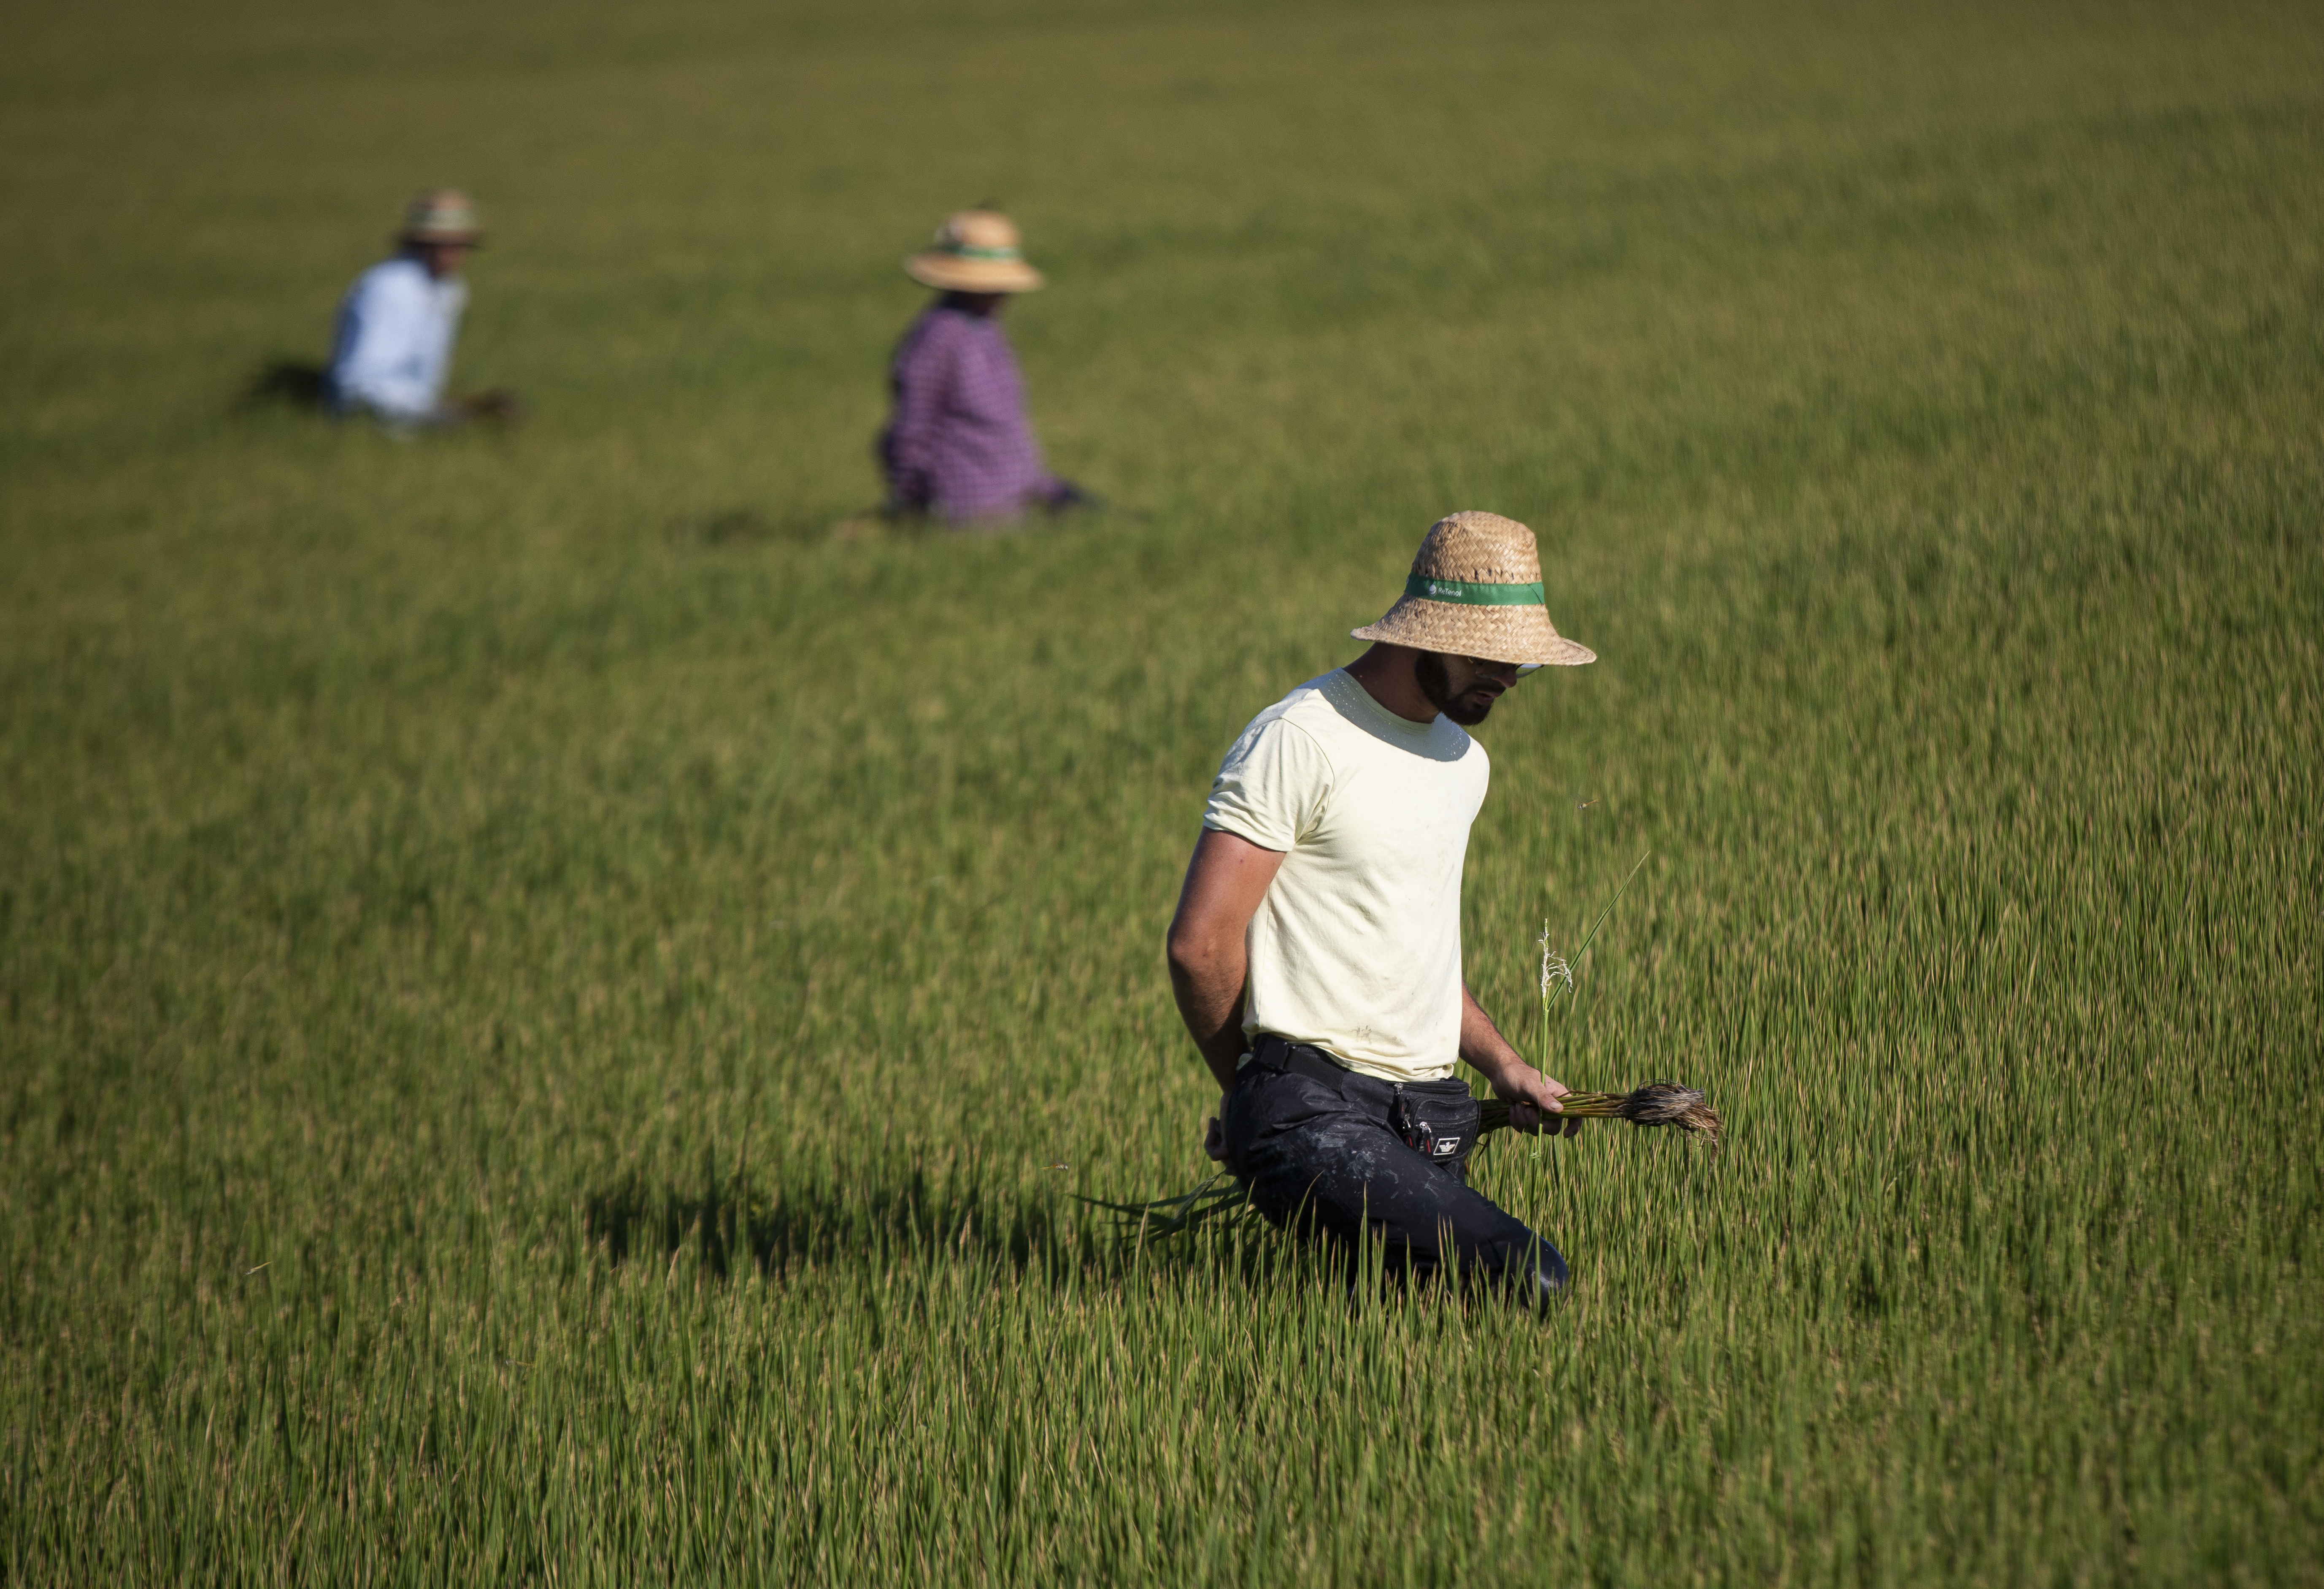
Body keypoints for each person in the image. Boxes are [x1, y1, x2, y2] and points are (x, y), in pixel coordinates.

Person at [1165, 511, 1599, 1308]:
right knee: (1527, 1274)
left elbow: (1414, 957)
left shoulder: (1462, 763)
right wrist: (1247, 1091)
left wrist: (1504, 1069)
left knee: (1409, 1329)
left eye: (1521, 667)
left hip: (1425, 1118)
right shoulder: (1301, 739)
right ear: (1421, 635)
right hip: (1308, 1107)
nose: (1506, 681)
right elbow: (1201, 944)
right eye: (1492, 658)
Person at [876, 209, 1089, 524]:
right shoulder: (936, 340)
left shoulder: (987, 330)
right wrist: (913, 503)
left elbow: (1004, 430)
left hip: (1016, 503)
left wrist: (1049, 489)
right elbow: (911, 430)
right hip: (965, 512)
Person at [326, 190, 518, 428]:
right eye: (440, 244)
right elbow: (360, 381)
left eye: (458, 244)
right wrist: (442, 414)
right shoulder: (389, 287)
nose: (450, 253)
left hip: (415, 415)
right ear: (419, 242)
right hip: (372, 417)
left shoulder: (450, 289)